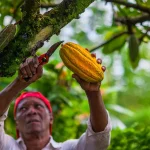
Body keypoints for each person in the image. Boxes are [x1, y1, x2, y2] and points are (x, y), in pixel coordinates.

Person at [0, 55, 112, 150]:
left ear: (51, 117)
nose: (31, 112)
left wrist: (93, 93)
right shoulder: (6, 146)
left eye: (38, 106)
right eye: (23, 108)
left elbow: (99, 140)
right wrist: (19, 83)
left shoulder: (68, 148)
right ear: (17, 122)